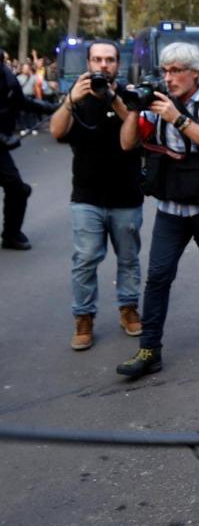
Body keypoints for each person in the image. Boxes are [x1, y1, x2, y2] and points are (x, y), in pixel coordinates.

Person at [117, 42, 199, 377]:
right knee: (157, 277)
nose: (167, 78)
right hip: (171, 208)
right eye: (165, 71)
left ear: (194, 73)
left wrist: (177, 118)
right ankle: (149, 348)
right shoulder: (156, 102)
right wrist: (132, 109)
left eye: (175, 71)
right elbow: (128, 143)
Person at [49, 39, 144, 351]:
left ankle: (128, 308)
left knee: (128, 259)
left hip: (126, 196)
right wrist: (69, 101)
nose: (103, 66)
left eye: (110, 60)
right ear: (88, 63)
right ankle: (83, 316)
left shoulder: (128, 96)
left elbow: (135, 131)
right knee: (86, 259)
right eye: (97, 60)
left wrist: (112, 97)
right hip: (87, 196)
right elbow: (57, 131)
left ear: (118, 63)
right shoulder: (77, 98)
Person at [1, 47, 57, 250]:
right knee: (17, 188)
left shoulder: (6, 73)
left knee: (18, 189)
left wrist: (50, 108)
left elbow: (21, 101)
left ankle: (11, 233)